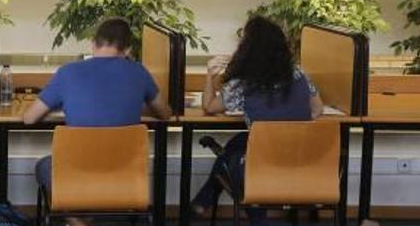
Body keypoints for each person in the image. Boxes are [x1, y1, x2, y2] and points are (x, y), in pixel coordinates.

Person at [23, 18, 172, 226]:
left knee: (44, 166)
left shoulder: (68, 72)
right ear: (128, 49)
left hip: (77, 170)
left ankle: (76, 220)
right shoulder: (139, 72)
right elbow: (165, 114)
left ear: (93, 43)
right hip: (124, 171)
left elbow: (29, 118)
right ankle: (83, 217)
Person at [192, 16, 324, 225]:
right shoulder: (299, 74)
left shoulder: (243, 84)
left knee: (230, 156)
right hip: (301, 162)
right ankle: (203, 201)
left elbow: (209, 106)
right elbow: (317, 109)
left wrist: (209, 75)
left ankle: (208, 204)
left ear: (248, 48)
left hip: (263, 166)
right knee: (238, 142)